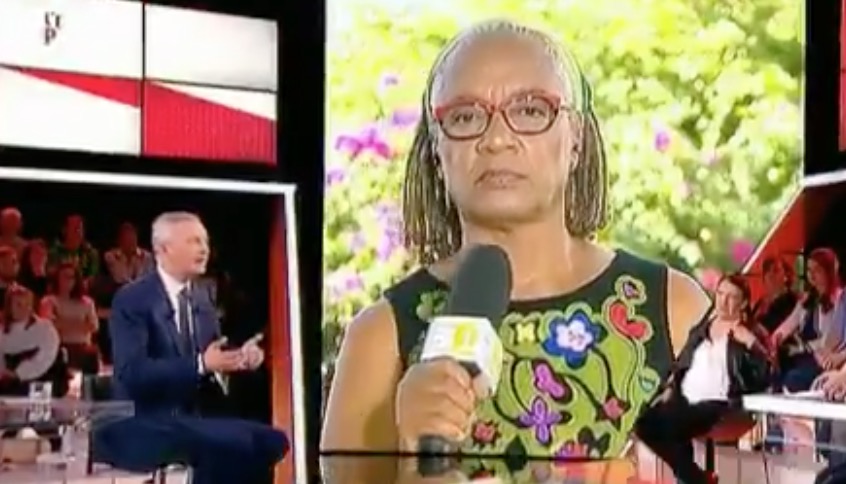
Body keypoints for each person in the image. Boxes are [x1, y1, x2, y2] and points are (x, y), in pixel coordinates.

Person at [321, 19, 711, 483]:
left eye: (530, 109)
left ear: (576, 138)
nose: (497, 138)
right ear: (437, 152)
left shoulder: (674, 309)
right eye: (465, 116)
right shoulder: (378, 338)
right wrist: (415, 460)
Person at [96, 212, 287, 484]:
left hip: (195, 418)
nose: (204, 249)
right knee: (229, 446)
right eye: (193, 241)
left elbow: (213, 354)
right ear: (164, 249)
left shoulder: (201, 298)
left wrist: (240, 357)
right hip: (145, 421)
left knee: (271, 441)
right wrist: (200, 364)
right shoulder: (133, 299)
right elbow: (132, 373)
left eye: (205, 242)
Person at [636, 274, 771, 484]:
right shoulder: (701, 329)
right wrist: (668, 387)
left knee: (672, 425)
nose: (723, 302)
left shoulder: (752, 332)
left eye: (731, 297)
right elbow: (681, 364)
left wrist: (751, 343)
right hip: (684, 396)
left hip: (720, 402)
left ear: (744, 303)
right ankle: (696, 479)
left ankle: (693, 480)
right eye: (720, 294)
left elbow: (767, 373)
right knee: (644, 423)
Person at [772, 248, 846, 392]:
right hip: (814, 358)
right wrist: (775, 340)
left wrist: (835, 356)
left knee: (794, 378)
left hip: (835, 361)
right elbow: (788, 325)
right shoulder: (808, 300)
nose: (811, 275)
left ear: (830, 271)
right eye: (809, 270)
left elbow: (831, 341)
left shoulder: (842, 299)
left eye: (817, 270)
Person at [0, 285, 68, 397]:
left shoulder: (45, 329)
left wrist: (18, 373)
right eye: (18, 304)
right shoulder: (2, 331)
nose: (24, 309)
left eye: (27, 304)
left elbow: (45, 358)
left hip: (43, 381)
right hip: (11, 383)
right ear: (9, 307)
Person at [39, 262, 100, 374]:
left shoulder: (87, 302)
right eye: (64, 276)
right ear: (57, 278)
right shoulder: (48, 301)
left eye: (71, 277)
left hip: (83, 348)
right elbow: (49, 325)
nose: (68, 280)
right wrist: (81, 324)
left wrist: (62, 322)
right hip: (58, 349)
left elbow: (94, 326)